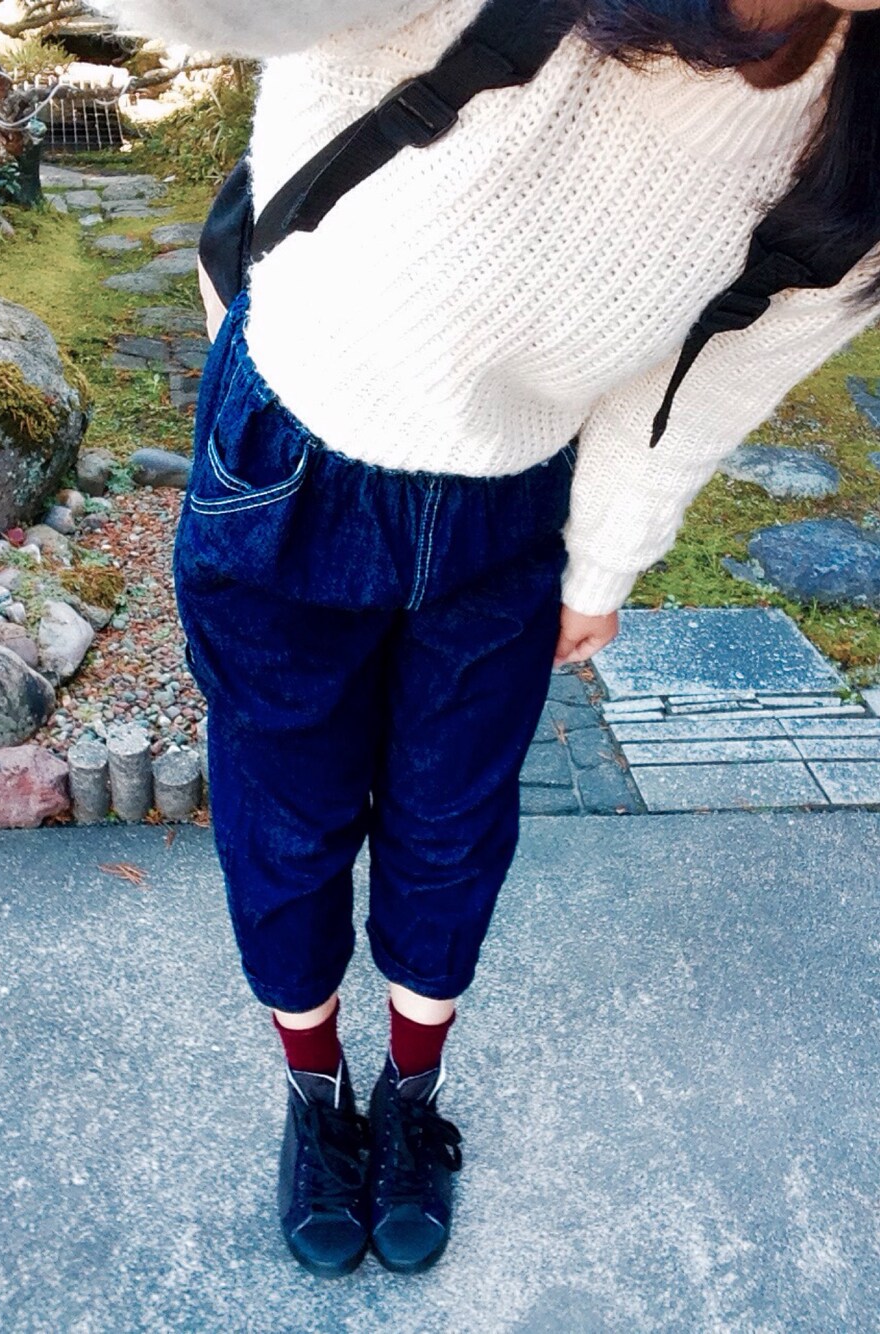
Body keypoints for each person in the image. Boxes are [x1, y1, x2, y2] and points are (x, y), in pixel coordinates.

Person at [102, 0, 880, 1277]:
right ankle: (314, 1093)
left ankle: (409, 1093)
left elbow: (710, 372)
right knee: (286, 818)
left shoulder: (858, 124)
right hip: (293, 452)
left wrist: (606, 556)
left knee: (452, 823)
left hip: (512, 500)